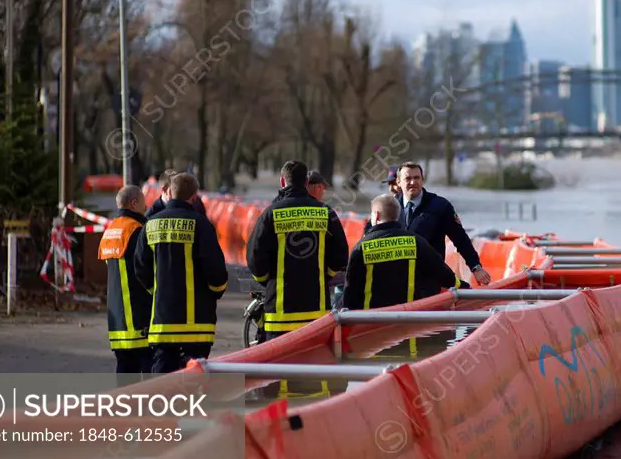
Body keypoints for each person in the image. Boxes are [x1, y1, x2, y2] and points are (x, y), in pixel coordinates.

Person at [134, 173, 228, 373]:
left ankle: (163, 405)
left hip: (163, 322)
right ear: (194, 197)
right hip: (198, 324)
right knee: (195, 380)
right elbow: (216, 270)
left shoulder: (150, 224)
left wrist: (156, 291)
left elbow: (140, 267)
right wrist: (216, 292)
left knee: (162, 381)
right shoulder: (202, 225)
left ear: (169, 192)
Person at [246, 160, 349, 340]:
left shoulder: (271, 214)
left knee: (280, 367)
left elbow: (255, 257)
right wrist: (325, 276)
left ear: (282, 182)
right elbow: (341, 254)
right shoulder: (325, 212)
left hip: (278, 315)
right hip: (316, 314)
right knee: (312, 366)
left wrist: (266, 282)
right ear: (306, 183)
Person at [342, 194, 467, 310]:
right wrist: (464, 287)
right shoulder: (416, 242)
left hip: (369, 324)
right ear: (397, 215)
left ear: (377, 215)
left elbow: (350, 291)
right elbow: (442, 273)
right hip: (407, 323)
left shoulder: (361, 247)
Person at [397, 161, 492, 286]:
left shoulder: (440, 206)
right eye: (408, 178)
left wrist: (476, 267)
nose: (413, 182)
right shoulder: (389, 206)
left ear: (422, 180)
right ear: (398, 182)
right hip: (398, 277)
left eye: (417, 178)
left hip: (429, 279)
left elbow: (460, 239)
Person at [99, 185, 153, 375]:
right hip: (138, 316)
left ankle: (123, 405)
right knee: (148, 372)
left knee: (124, 372)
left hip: (117, 321)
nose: (146, 207)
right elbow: (145, 268)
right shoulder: (136, 230)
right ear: (133, 203)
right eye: (143, 203)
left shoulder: (110, 231)